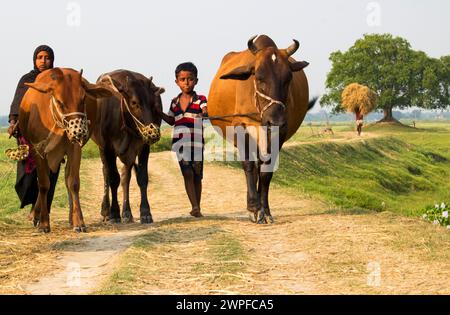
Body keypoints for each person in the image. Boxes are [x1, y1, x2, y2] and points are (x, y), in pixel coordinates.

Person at [7, 45, 59, 218]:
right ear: (34, 59)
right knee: (29, 173)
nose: (43, 61)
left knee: (50, 173)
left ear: (52, 59)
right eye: (40, 57)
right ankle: (34, 204)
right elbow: (18, 103)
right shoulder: (27, 79)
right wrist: (13, 121)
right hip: (28, 132)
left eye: (47, 57)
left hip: (52, 134)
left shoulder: (57, 79)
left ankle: (42, 210)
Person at [155, 62, 208, 218]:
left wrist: (203, 114)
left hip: (197, 142)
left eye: (190, 79)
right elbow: (171, 120)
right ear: (177, 82)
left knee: (197, 174)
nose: (186, 82)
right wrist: (159, 113)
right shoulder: (174, 102)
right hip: (180, 143)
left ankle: (197, 206)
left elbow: (205, 110)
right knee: (187, 173)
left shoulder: (200, 99)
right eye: (182, 79)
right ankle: (195, 206)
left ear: (196, 81)